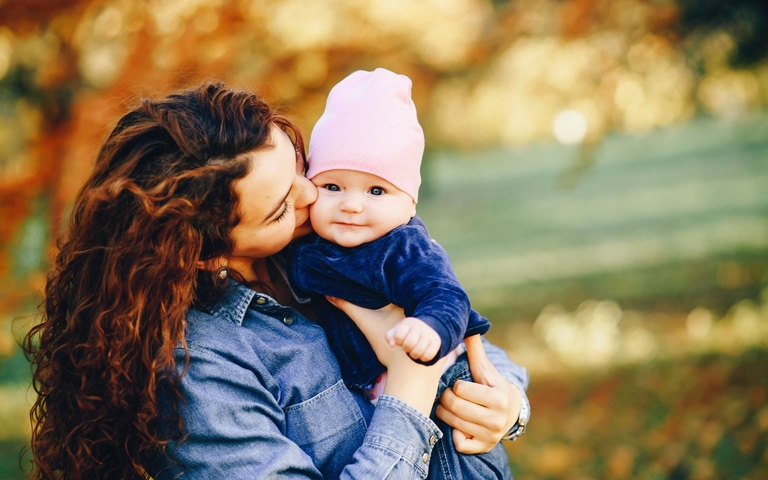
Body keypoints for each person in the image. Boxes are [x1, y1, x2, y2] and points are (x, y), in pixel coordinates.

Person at [23, 81, 530, 480]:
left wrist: (506, 405)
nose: (314, 194)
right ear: (204, 253)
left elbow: (468, 337)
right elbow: (419, 371)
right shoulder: (199, 372)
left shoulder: (330, 242)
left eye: (299, 166)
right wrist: (410, 393)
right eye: (281, 206)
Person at [289, 68, 517, 478]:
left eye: (376, 190)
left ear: (409, 201)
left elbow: (448, 297)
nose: (351, 205)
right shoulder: (309, 245)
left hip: (446, 404)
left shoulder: (404, 247)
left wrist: (427, 329)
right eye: (333, 187)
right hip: (388, 398)